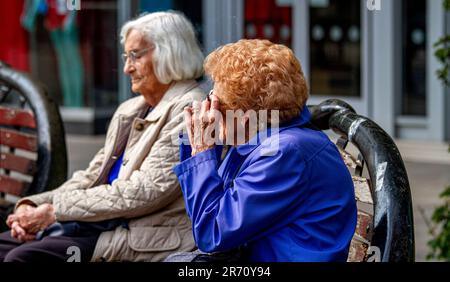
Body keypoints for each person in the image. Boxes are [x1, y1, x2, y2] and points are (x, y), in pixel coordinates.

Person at [0, 11, 205, 262]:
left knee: (23, 257)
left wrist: (55, 211)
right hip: (96, 223)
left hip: (141, 236)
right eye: (125, 57)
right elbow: (90, 177)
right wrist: (32, 206)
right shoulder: (130, 109)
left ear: (169, 52)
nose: (127, 68)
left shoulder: (189, 109)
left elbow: (144, 191)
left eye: (135, 56)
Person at [174, 39, 357, 262]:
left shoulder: (284, 152)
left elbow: (212, 232)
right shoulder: (261, 141)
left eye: (216, 101)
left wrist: (202, 151)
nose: (209, 108)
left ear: (246, 112)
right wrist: (201, 149)